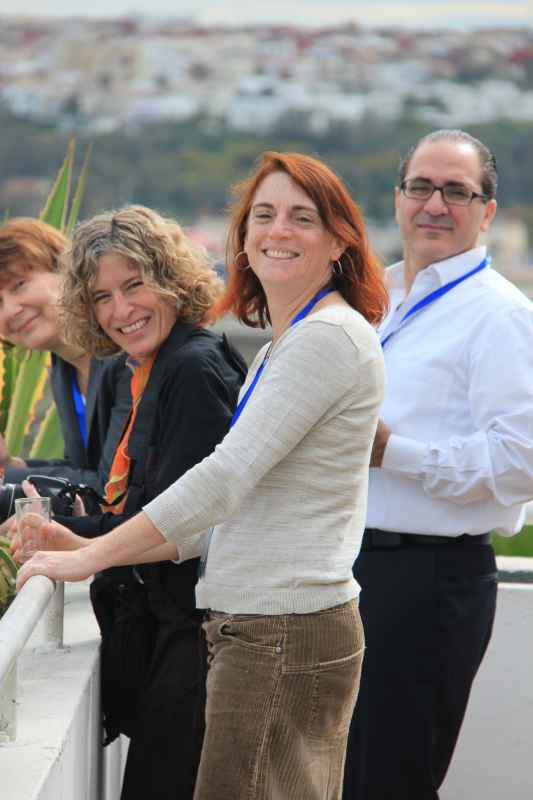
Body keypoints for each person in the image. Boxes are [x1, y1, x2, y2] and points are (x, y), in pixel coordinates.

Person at [16, 152, 387, 800]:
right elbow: (216, 518)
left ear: (339, 241)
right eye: (262, 216)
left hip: (279, 632)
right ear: (241, 238)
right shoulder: (286, 344)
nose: (277, 230)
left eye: (301, 217)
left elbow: (222, 481)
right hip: (258, 629)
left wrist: (90, 555)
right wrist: (87, 546)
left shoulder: (325, 338)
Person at [15, 204, 247, 800]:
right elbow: (144, 509)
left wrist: (85, 548)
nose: (121, 310)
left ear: (172, 279)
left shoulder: (192, 368)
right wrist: (75, 536)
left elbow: (186, 526)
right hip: (163, 639)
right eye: (102, 297)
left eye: (135, 285)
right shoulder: (145, 368)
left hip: (198, 644)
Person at [342, 129, 533, 800]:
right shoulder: (375, 299)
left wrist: (393, 452)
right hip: (351, 569)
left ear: (487, 211)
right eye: (420, 186)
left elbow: (521, 462)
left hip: (426, 583)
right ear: (398, 198)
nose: (434, 204)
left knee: (388, 781)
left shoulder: (502, 317)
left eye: (456, 191)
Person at [0, 218, 131, 491]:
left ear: (66, 271)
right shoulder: (64, 365)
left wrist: (8, 478)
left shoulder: (123, 356)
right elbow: (82, 470)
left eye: (19, 285)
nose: (11, 310)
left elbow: (112, 486)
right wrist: (11, 465)